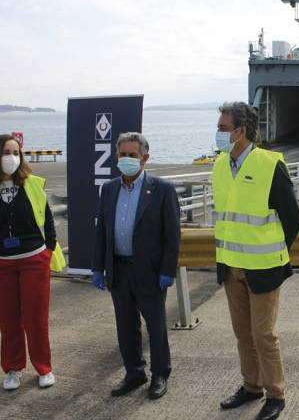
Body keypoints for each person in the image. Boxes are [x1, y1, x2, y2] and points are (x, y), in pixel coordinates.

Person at [214, 102, 299, 420]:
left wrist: (275, 253)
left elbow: (292, 219)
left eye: (223, 128)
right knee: (243, 333)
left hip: (264, 266)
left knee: (264, 333)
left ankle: (275, 394)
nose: (219, 133)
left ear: (241, 131)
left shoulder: (270, 164)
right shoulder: (220, 165)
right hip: (230, 265)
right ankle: (251, 386)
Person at [0, 134, 65, 390]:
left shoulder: (32, 184)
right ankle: (12, 368)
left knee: (36, 319)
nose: (11, 157)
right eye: (5, 152)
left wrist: (48, 250)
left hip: (33, 260)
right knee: (8, 320)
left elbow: (46, 220)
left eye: (15, 152)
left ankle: (44, 368)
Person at [92, 132, 180, 400]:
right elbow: (102, 232)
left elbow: (172, 234)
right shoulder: (108, 189)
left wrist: (167, 270)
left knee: (156, 325)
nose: (127, 159)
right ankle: (134, 372)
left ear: (145, 158)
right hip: (119, 269)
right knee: (125, 325)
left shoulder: (162, 190)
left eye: (133, 155)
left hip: (150, 272)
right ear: (116, 156)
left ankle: (160, 373)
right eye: (123, 154)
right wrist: (98, 267)